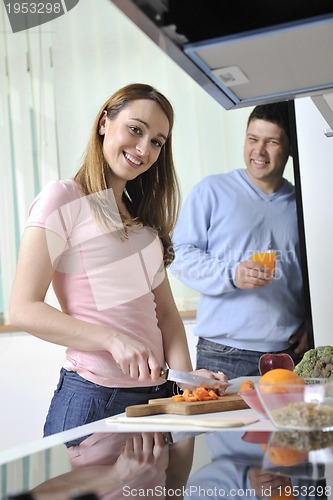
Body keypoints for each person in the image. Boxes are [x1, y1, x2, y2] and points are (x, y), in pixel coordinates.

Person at [9, 83, 226, 436]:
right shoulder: (63, 198)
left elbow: (167, 315)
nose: (144, 148)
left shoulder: (142, 222)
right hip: (94, 400)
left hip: (158, 398)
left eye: (157, 141)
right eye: (135, 129)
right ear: (104, 123)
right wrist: (112, 339)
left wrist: (187, 380)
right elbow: (23, 308)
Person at [171, 102, 308, 380]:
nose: (258, 151)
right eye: (252, 139)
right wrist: (232, 274)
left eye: (271, 142)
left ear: (290, 147)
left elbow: (314, 274)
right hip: (224, 352)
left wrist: (311, 321)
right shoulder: (212, 191)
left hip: (291, 354)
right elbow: (179, 254)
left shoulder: (303, 204)